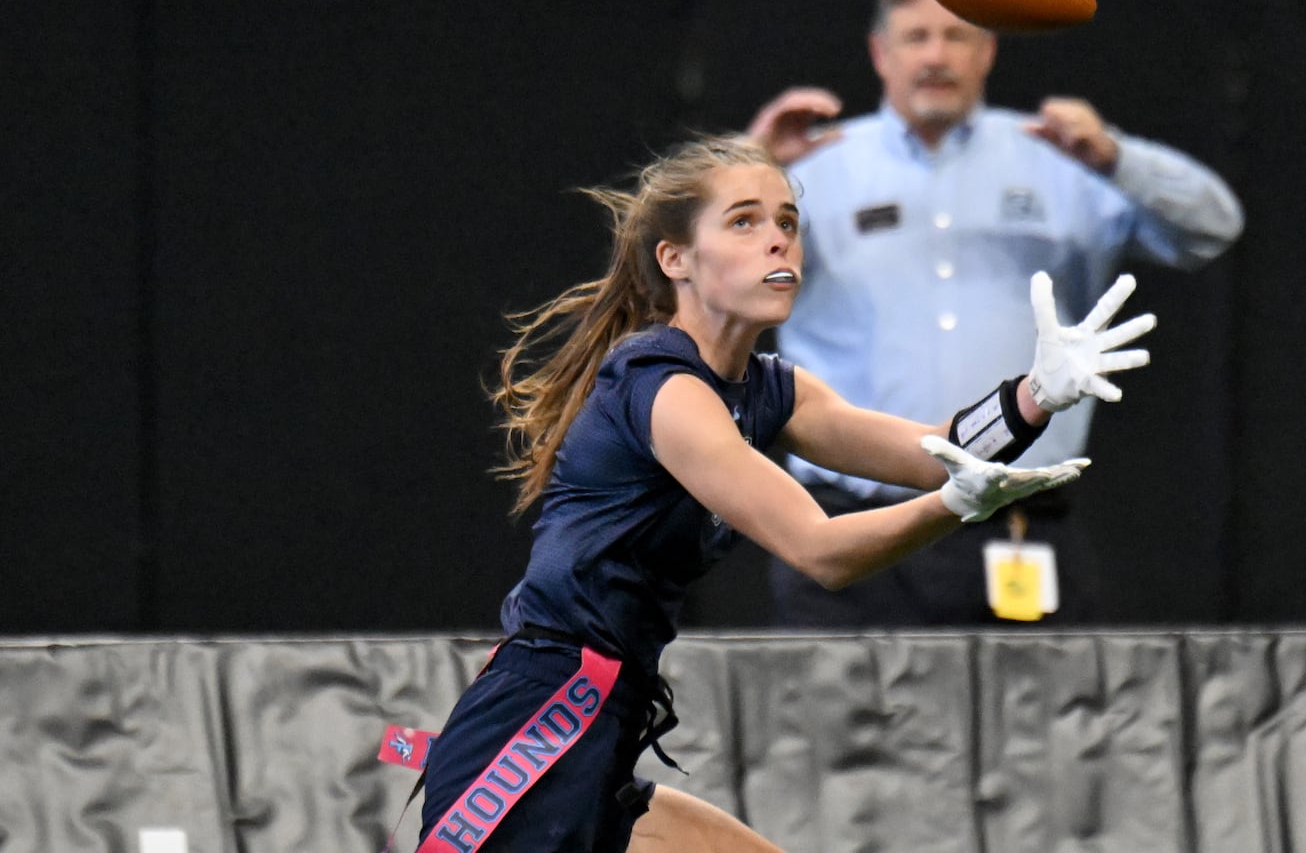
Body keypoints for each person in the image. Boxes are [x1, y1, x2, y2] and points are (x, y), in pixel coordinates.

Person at [416, 134, 1155, 852]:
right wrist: (961, 506)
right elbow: (822, 549)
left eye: (788, 223)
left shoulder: (774, 389)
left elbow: (938, 454)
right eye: (744, 221)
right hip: (537, 726)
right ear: (675, 259)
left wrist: (1033, 397)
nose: (779, 242)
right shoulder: (663, 387)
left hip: (601, 727)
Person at [745, 0, 1244, 628]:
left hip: (1015, 528)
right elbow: (685, 273)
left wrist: (1116, 157)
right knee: (846, 735)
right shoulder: (809, 170)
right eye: (916, 36)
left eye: (956, 36)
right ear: (880, 53)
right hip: (854, 530)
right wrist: (744, 167)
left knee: (1042, 733)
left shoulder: (1061, 159)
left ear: (988, 52)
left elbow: (1213, 228)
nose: (935, 55)